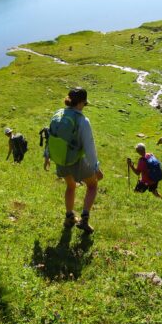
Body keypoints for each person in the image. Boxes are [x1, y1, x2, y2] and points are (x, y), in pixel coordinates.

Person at [52, 87, 103, 234]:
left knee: (70, 186)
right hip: (75, 160)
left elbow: (52, 136)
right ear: (80, 103)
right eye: (84, 104)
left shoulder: (58, 114)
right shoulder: (82, 121)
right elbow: (89, 147)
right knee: (93, 185)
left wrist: (47, 156)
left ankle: (69, 217)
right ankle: (84, 220)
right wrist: (96, 168)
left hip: (61, 159)